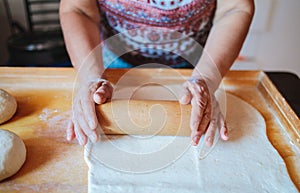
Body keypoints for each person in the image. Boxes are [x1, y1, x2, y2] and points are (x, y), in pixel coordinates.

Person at [59, 0, 254, 146]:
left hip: (197, 64)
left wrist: (206, 77)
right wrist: (90, 77)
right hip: (111, 65)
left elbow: (235, 8)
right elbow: (78, 9)